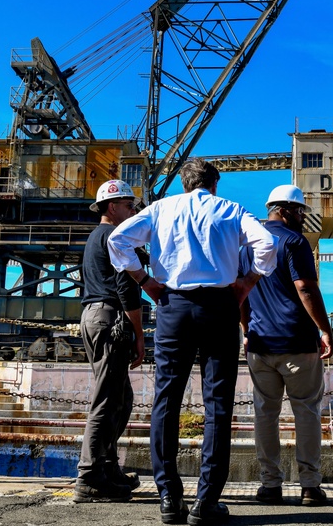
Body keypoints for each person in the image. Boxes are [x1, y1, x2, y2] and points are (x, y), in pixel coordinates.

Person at [107, 158, 276, 526]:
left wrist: (145, 281)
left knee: (166, 398)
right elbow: (266, 244)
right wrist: (247, 283)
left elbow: (117, 239)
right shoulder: (231, 209)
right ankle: (206, 501)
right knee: (218, 403)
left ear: (184, 183)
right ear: (214, 183)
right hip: (219, 306)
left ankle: (169, 496)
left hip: (173, 305)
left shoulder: (162, 208)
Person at [240, 184, 333, 507]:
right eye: (300, 212)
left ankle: (269, 485)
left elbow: (241, 293)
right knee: (306, 411)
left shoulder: (248, 244)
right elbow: (305, 288)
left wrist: (246, 331)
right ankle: (309, 486)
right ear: (287, 211)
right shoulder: (295, 242)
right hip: (297, 343)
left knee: (265, 414)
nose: (302, 218)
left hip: (260, 344)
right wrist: (325, 329)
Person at [73, 180, 146, 503]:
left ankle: (106, 466)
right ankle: (88, 478)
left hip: (93, 315)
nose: (133, 211)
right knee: (106, 399)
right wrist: (139, 334)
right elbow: (126, 288)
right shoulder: (115, 237)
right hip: (109, 317)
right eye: (129, 206)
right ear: (112, 207)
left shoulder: (95, 238)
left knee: (121, 398)